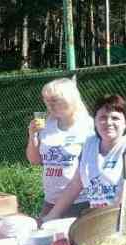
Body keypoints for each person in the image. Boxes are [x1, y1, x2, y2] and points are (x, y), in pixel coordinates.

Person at [41, 94, 126, 222]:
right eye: (102, 117)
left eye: (115, 118)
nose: (108, 123)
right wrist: (52, 216)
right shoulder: (89, 145)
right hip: (102, 218)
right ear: (95, 122)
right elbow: (75, 184)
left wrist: (115, 219)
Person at [26, 77, 95, 219]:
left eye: (55, 100)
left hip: (80, 202)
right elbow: (34, 160)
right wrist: (32, 135)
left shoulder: (88, 126)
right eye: (46, 100)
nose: (49, 105)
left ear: (70, 99)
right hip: (50, 200)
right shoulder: (47, 124)